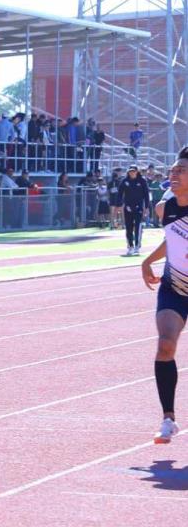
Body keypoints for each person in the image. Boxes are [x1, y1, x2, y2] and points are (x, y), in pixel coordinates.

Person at [140, 146, 188, 444]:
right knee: (165, 345)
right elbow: (172, 239)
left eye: (181, 171)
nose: (174, 174)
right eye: (172, 170)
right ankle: (168, 419)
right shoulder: (164, 207)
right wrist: (148, 261)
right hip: (175, 288)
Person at [118, 165, 151, 256]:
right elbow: (120, 194)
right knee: (128, 228)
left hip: (139, 208)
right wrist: (120, 205)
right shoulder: (125, 181)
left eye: (134, 171)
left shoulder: (142, 181)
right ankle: (130, 246)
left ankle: (137, 246)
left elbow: (146, 195)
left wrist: (146, 207)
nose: (132, 173)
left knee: (138, 227)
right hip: (128, 208)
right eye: (130, 171)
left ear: (137, 172)